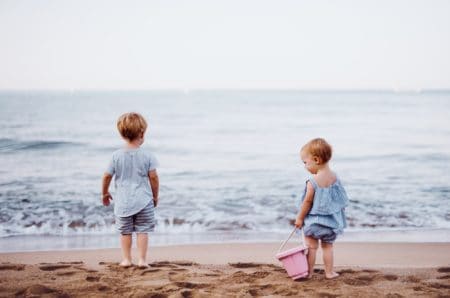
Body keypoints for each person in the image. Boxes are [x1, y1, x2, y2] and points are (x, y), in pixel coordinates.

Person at [102, 112, 159, 268]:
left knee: (125, 232)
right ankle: (142, 260)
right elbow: (153, 178)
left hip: (123, 202)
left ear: (122, 134)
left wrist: (105, 193)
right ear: (141, 133)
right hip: (144, 200)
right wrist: (155, 196)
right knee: (142, 230)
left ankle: (126, 259)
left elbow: (107, 176)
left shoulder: (116, 156)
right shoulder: (148, 155)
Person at [295, 138, 348, 279]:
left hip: (314, 224)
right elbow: (340, 200)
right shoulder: (335, 178)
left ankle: (310, 273)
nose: (305, 166)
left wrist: (300, 218)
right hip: (331, 223)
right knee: (328, 247)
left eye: (305, 162)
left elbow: (307, 202)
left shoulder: (312, 182)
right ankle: (329, 273)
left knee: (311, 248)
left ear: (316, 160)